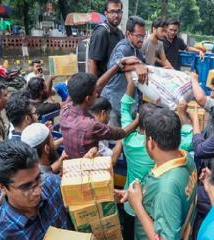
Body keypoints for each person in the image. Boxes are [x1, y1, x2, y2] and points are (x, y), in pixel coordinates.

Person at [117, 74, 194, 239]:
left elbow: (124, 108)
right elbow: (188, 131)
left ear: (151, 142)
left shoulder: (166, 188)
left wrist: (137, 204)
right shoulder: (187, 158)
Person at [0, 140, 72, 239]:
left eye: (38, 178)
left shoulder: (53, 183)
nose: (37, 191)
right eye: (26, 187)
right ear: (3, 188)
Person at [60, 72, 138, 158]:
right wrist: (138, 120)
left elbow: (98, 85)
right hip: (88, 168)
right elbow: (120, 133)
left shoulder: (65, 110)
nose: (97, 94)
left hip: (71, 166)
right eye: (95, 92)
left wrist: (117, 67)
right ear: (88, 98)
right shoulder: (91, 125)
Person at [101, 15, 149, 127]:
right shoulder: (123, 47)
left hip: (125, 103)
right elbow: (114, 66)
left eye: (143, 36)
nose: (141, 39)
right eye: (138, 36)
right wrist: (135, 67)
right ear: (128, 34)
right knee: (114, 138)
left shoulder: (137, 50)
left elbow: (143, 66)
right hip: (112, 104)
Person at [88, 0, 124, 77]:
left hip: (116, 81)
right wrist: (95, 87)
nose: (116, 15)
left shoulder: (119, 33)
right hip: (104, 85)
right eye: (112, 12)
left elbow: (118, 60)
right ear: (106, 13)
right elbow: (92, 62)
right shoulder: (101, 33)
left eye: (118, 11)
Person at [89, 97, 122, 163]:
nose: (109, 117)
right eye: (108, 114)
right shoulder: (94, 134)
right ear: (103, 113)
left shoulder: (91, 121)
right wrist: (120, 141)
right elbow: (112, 160)